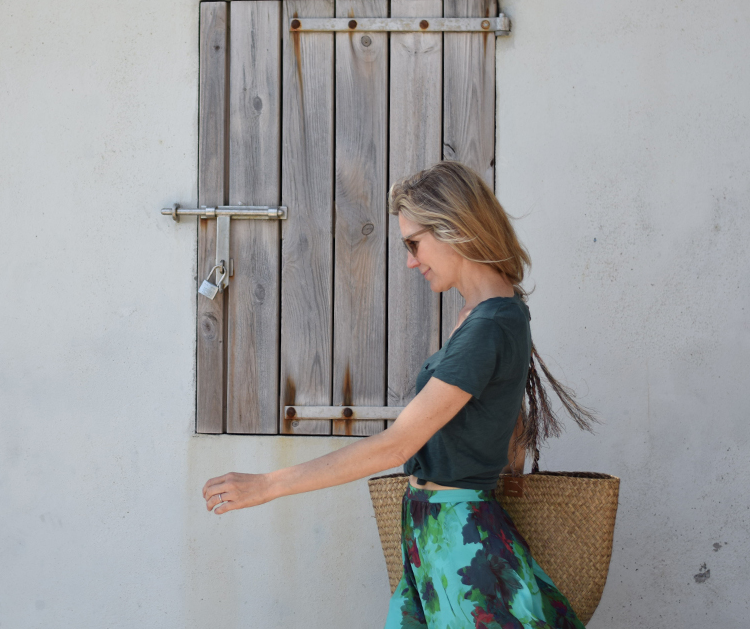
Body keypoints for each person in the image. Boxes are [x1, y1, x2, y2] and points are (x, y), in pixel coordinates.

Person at [202, 161, 595, 628]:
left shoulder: (488, 327)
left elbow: (398, 444)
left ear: (455, 228)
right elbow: (507, 423)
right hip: (436, 537)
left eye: (414, 243)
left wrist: (268, 485)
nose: (410, 260)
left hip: (460, 544)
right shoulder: (487, 315)